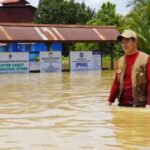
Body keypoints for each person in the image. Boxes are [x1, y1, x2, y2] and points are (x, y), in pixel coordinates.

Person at [108, 29, 150, 107]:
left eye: (128, 41)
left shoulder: (146, 59)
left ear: (135, 42)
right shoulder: (120, 61)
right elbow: (116, 82)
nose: (124, 45)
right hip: (122, 104)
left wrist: (149, 104)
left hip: (140, 104)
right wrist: (110, 101)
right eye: (122, 42)